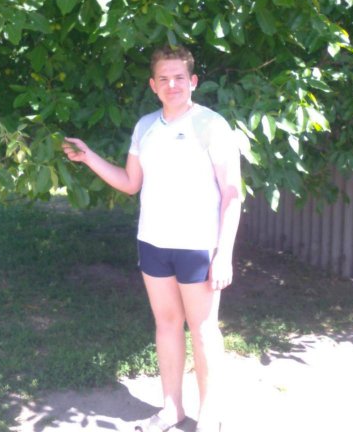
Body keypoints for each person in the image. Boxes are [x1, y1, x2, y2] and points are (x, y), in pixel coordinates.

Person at [63, 45, 241, 432]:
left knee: (203, 329)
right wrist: (89, 156)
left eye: (179, 77)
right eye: (164, 78)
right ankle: (172, 408)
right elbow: (130, 183)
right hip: (153, 242)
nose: (172, 84)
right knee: (167, 324)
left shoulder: (212, 125)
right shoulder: (145, 127)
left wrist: (224, 253)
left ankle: (210, 414)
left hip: (197, 245)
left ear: (193, 81)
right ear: (153, 85)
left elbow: (232, 194)